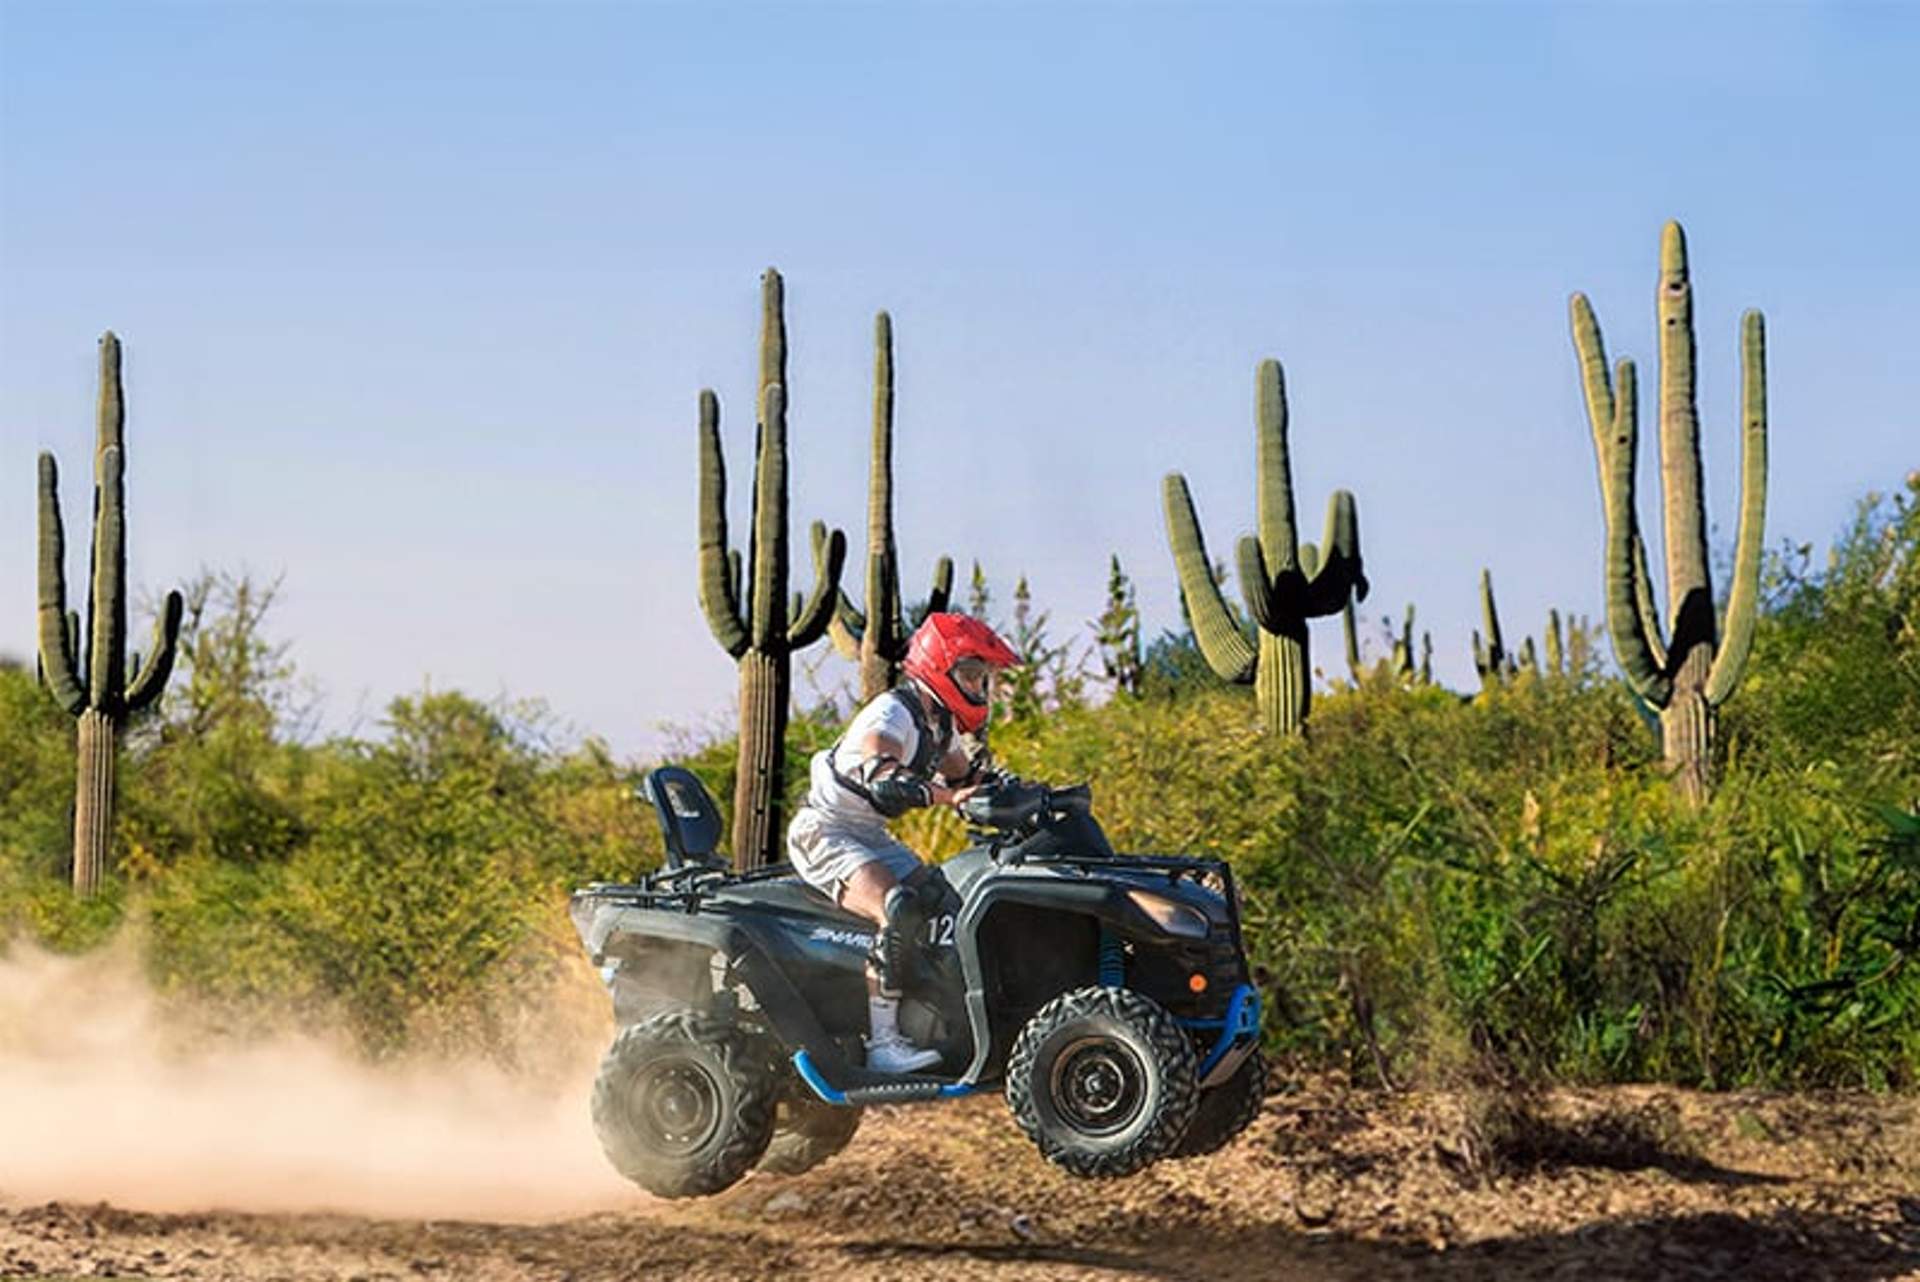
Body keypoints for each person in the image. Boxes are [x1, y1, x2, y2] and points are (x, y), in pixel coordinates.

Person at [786, 612, 1020, 1073]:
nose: (980, 687)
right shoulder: (893, 712)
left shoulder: (940, 725)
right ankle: (884, 1045)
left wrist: (1021, 796)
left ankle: (933, 1017)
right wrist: (951, 798)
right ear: (941, 669)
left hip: (868, 833)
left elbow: (968, 776)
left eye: (984, 678)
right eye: (972, 675)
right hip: (827, 830)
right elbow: (882, 776)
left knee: (942, 898)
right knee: (899, 909)